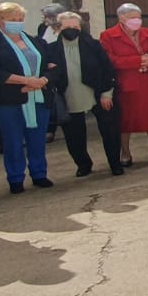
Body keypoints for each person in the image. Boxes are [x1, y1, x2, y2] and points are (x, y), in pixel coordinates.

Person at [0, 2, 60, 193]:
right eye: (12, 20)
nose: (17, 23)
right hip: (7, 100)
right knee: (13, 140)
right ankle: (15, 178)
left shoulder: (37, 41)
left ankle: (39, 173)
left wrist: (42, 81)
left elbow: (52, 66)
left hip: (38, 96)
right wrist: (24, 81)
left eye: (20, 20)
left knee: (37, 138)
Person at [52, 11, 122, 178]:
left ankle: (115, 163)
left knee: (110, 130)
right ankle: (83, 164)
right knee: (74, 135)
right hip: (69, 96)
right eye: (67, 27)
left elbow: (107, 69)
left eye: (75, 27)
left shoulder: (93, 45)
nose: (71, 30)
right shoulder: (51, 50)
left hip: (98, 94)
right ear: (58, 28)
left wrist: (107, 94)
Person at [100, 3, 148, 163]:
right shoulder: (108, 35)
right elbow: (109, 60)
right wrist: (138, 61)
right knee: (125, 120)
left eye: (139, 17)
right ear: (121, 18)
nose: (137, 21)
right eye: (132, 18)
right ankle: (125, 153)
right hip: (125, 84)